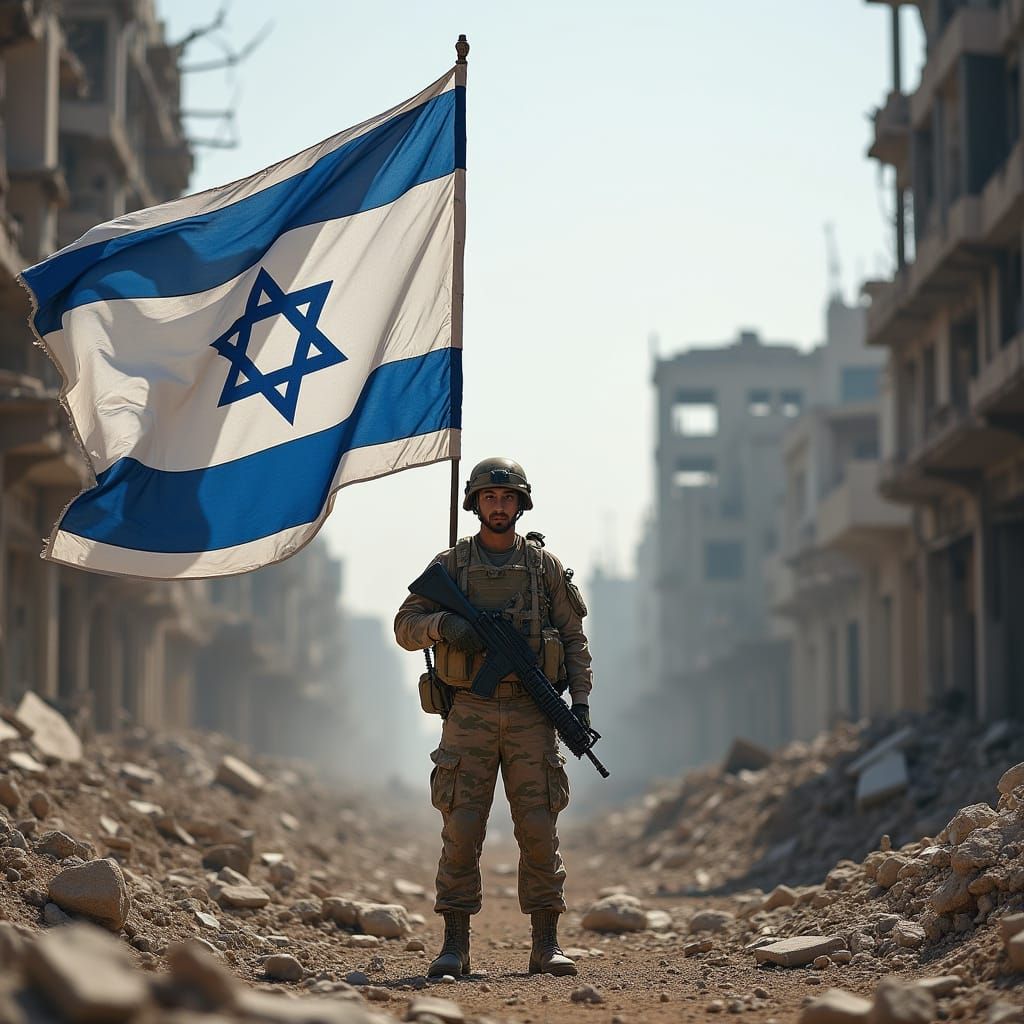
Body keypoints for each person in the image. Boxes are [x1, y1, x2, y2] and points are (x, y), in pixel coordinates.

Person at [394, 457, 593, 978]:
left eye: (507, 499)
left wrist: (582, 706)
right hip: (471, 712)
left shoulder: (542, 566)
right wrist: (443, 624)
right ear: (475, 503)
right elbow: (405, 625)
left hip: (532, 714)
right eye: (490, 498)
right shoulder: (452, 565)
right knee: (461, 827)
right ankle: (454, 946)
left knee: (538, 828)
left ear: (520, 505)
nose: (499, 506)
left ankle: (546, 944)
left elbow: (574, 640)